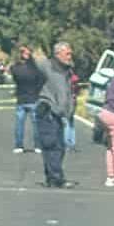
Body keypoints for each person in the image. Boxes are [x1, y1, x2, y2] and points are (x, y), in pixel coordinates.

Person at [34, 42, 76, 189]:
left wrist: (70, 109)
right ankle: (57, 178)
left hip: (60, 114)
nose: (70, 56)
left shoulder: (67, 70)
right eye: (67, 54)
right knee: (52, 146)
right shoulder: (47, 66)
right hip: (47, 111)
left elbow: (69, 92)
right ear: (57, 54)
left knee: (59, 147)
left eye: (70, 53)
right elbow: (33, 66)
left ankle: (52, 177)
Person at [9, 45, 44, 154]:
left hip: (21, 98)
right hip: (33, 98)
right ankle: (38, 145)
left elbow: (14, 76)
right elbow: (41, 80)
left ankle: (19, 145)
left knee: (20, 124)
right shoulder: (34, 69)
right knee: (36, 124)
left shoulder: (16, 68)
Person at [63, 68, 80, 152]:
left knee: (66, 123)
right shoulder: (75, 80)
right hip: (73, 101)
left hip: (66, 102)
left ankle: (67, 144)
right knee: (71, 123)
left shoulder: (63, 80)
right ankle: (72, 144)